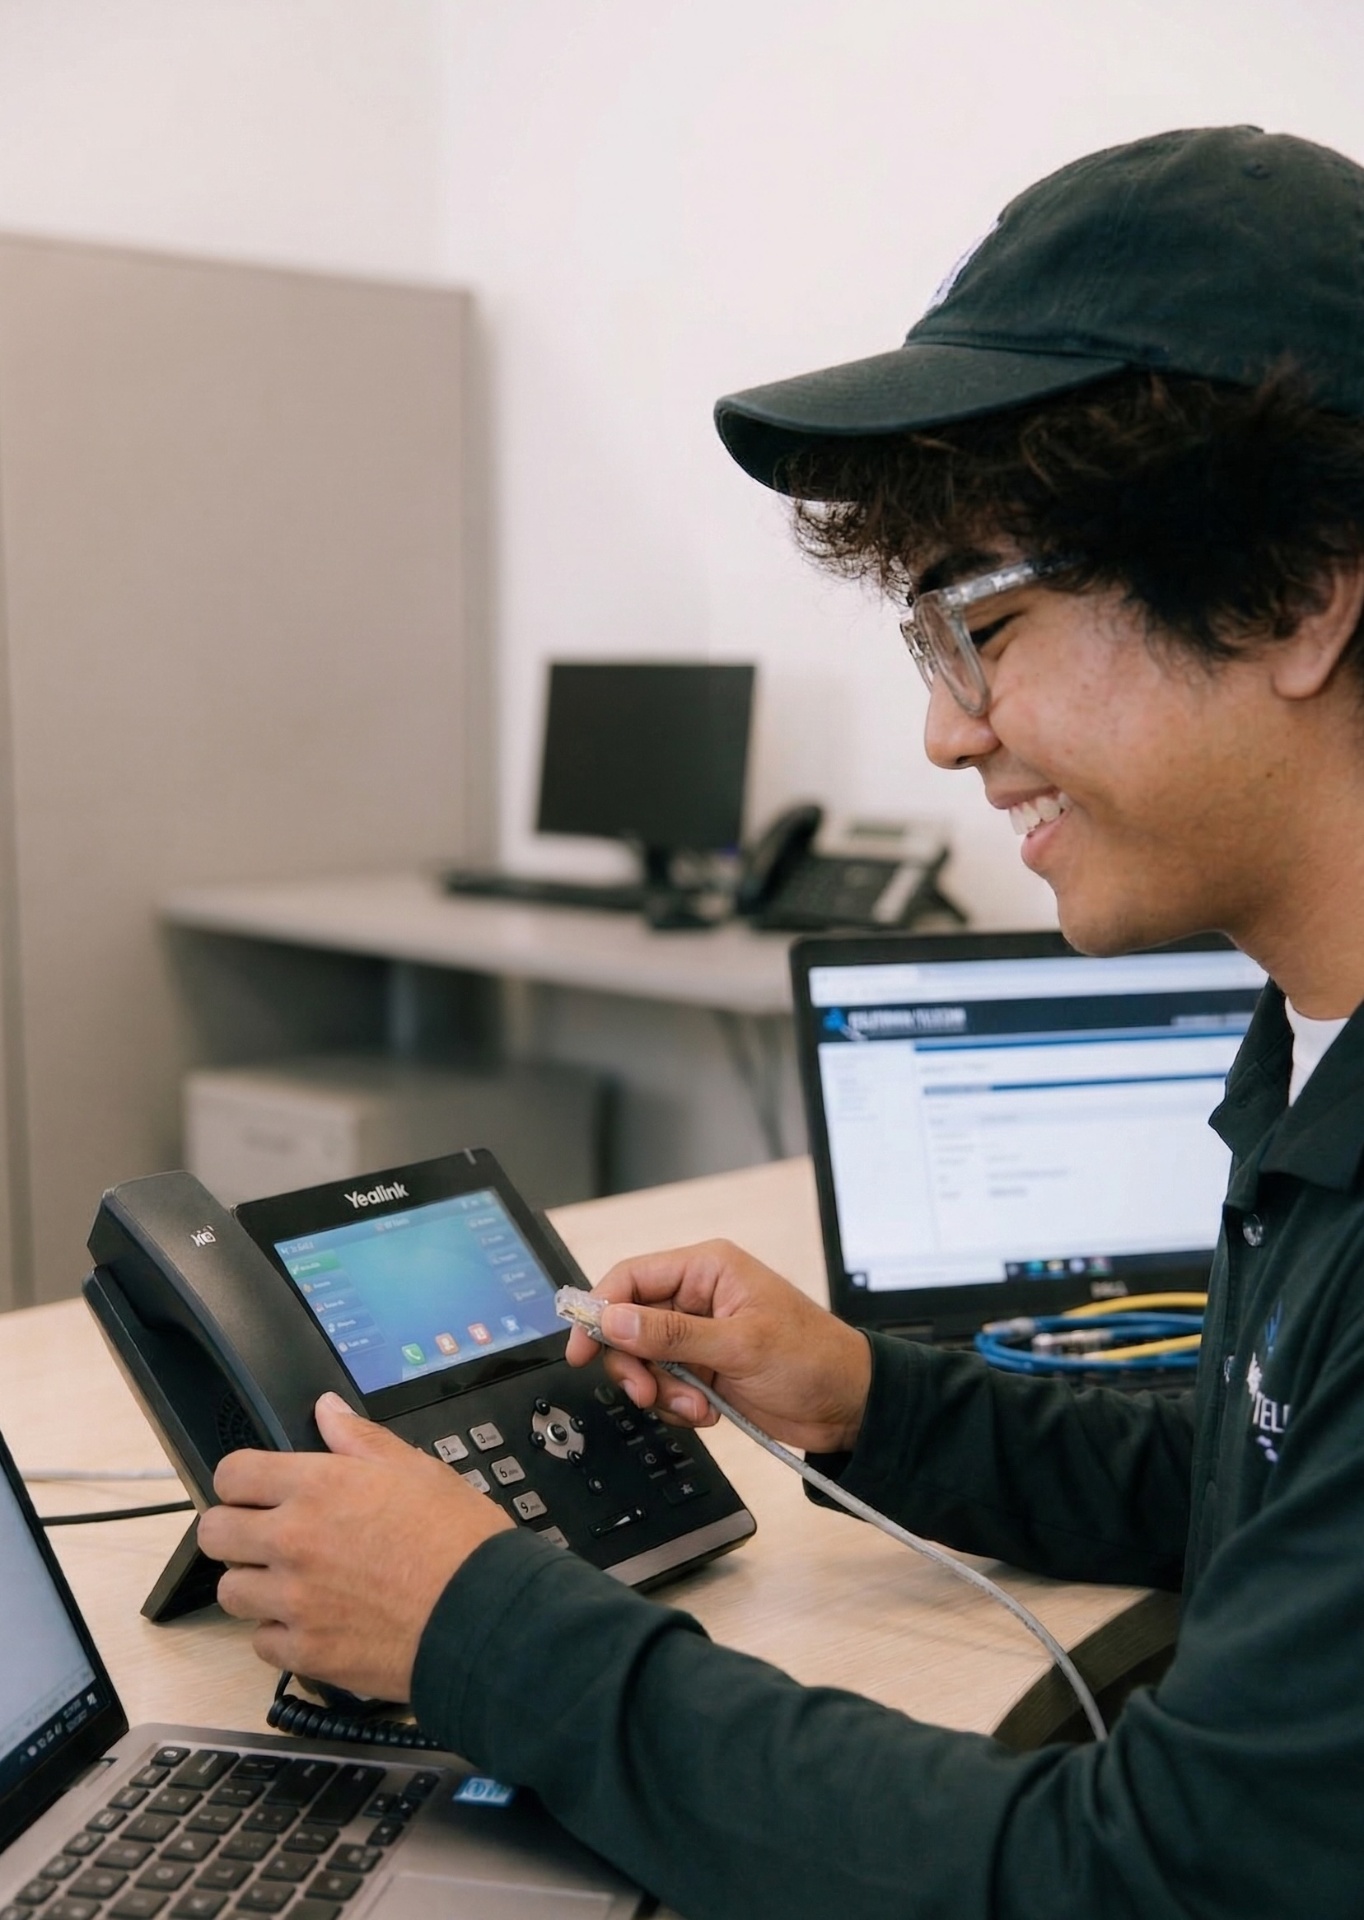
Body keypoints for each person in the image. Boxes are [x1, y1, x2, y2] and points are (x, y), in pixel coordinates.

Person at [198, 126, 1364, 1918]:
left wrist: (480, 1626)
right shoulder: (1309, 1035)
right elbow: (1259, 1474)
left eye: (988, 625)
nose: (946, 735)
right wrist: (865, 1399)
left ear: (1293, 594)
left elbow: (1155, 1889)